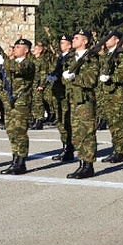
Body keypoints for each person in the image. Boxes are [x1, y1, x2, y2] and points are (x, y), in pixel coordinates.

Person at [62, 29, 99, 179]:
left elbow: (91, 80)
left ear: (85, 41)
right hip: (73, 101)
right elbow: (65, 79)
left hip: (85, 101)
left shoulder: (91, 58)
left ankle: (88, 166)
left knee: (87, 133)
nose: (74, 40)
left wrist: (74, 78)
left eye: (77, 38)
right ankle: (82, 163)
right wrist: (67, 77)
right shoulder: (71, 58)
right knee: (77, 134)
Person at [0, 38, 36, 175]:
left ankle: (21, 162)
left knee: (20, 133)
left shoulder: (28, 64)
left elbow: (19, 69)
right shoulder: (11, 63)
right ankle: (14, 160)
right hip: (10, 103)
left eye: (19, 47)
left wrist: (4, 60)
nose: (15, 48)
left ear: (26, 50)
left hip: (21, 103)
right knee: (11, 132)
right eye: (15, 46)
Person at [99, 32, 123, 163]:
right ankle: (115, 149)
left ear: (117, 40)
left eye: (109, 38)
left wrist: (110, 78)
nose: (106, 41)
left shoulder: (122, 55)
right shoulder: (106, 55)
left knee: (119, 123)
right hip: (107, 93)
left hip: (117, 93)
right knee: (112, 124)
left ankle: (119, 152)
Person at [49, 34, 75, 162]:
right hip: (58, 93)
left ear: (70, 45)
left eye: (64, 42)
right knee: (60, 121)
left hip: (66, 94)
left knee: (67, 122)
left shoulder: (72, 57)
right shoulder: (60, 57)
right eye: (61, 42)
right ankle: (65, 147)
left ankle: (69, 149)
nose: (61, 44)